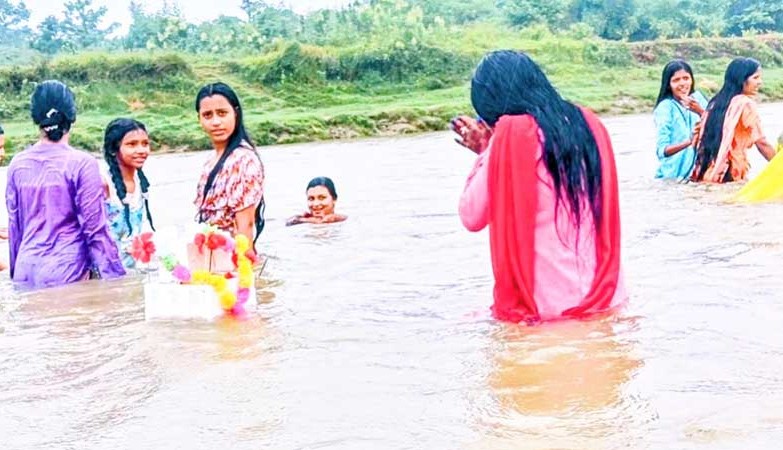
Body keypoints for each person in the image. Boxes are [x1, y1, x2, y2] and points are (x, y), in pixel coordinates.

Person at [454, 50, 627, 324]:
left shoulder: (511, 139)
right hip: (609, 297)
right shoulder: (587, 124)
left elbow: (471, 216)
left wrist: (488, 151)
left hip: (547, 311)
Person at [5, 80, 125, 288]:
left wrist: (16, 278)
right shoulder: (83, 163)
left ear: (35, 118)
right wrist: (118, 283)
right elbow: (96, 231)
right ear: (72, 116)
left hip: (26, 271)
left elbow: (15, 228)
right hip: (67, 271)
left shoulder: (17, 164)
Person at [193, 82, 265, 246]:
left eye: (222, 113)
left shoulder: (244, 160)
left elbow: (245, 226)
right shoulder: (211, 160)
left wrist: (243, 260)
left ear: (235, 114)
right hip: (210, 253)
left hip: (232, 254)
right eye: (208, 115)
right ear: (199, 119)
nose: (216, 122)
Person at [692, 57, 776, 183]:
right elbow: (761, 143)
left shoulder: (715, 103)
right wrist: (778, 165)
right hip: (730, 170)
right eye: (755, 78)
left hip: (707, 169)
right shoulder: (745, 104)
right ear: (741, 80)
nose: (760, 82)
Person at [100, 118, 155, 269]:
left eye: (145, 144)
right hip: (107, 270)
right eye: (132, 144)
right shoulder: (103, 183)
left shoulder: (141, 182)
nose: (141, 150)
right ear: (113, 149)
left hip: (132, 270)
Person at [653, 59, 709, 180]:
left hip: (698, 173)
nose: (683, 84)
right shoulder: (665, 107)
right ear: (669, 84)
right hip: (673, 176)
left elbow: (717, 126)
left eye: (686, 78)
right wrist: (689, 142)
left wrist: (700, 111)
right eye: (676, 80)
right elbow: (662, 151)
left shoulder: (698, 98)